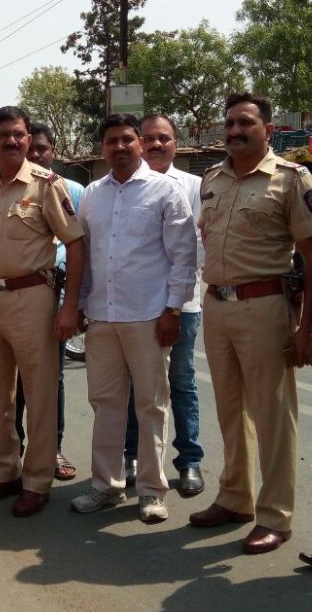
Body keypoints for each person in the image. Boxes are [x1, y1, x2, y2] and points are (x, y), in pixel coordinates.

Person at [190, 92, 312, 555]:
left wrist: (306, 327)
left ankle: (275, 516)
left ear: (268, 129)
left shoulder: (291, 180)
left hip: (265, 306)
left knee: (272, 414)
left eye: (245, 123)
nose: (235, 131)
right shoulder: (213, 180)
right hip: (217, 306)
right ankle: (235, 497)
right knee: (229, 408)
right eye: (230, 124)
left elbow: (309, 255)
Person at [70, 113, 196, 524]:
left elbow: (182, 256)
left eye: (127, 139)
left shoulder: (165, 191)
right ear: (102, 148)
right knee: (106, 403)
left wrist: (173, 309)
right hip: (102, 317)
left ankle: (152, 490)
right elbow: (86, 256)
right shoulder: (92, 193)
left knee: (151, 405)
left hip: (149, 316)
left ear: (139, 143)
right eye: (111, 141)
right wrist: (81, 306)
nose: (120, 147)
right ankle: (106, 486)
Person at [0, 106, 85, 518]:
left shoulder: (47, 185)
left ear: (29, 140)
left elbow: (76, 243)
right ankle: (3, 474)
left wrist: (70, 306)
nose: (12, 141)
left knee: (40, 393)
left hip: (32, 298)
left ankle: (36, 482)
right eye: (3, 135)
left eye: (18, 134)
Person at [123, 114, 206, 497]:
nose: (157, 145)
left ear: (176, 142)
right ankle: (133, 459)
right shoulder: (125, 187)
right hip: (136, 308)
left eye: (165, 139)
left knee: (182, 383)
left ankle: (188, 461)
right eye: (150, 139)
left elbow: (194, 249)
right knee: (137, 386)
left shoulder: (193, 185)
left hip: (181, 306)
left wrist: (173, 300)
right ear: (139, 142)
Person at [14, 122, 85, 481]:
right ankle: (15, 450)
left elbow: (82, 249)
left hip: (55, 296)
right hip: (15, 299)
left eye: (42, 148)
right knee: (15, 382)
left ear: (52, 150)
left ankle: (52, 449)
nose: (36, 154)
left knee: (50, 380)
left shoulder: (74, 191)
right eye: (31, 148)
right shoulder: (10, 189)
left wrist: (75, 303)